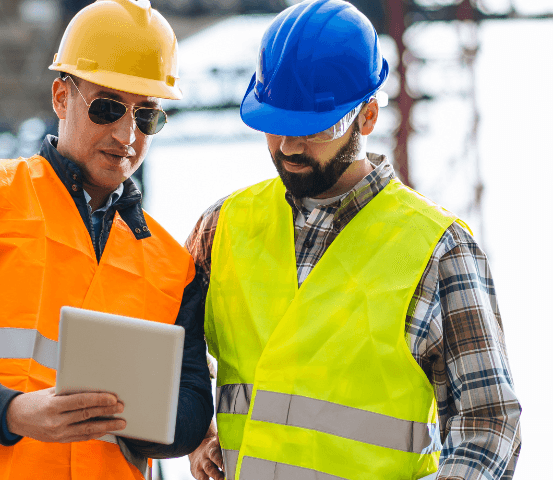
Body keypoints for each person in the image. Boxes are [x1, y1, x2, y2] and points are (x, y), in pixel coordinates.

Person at [0, 1, 213, 479]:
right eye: (107, 106)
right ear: (60, 96)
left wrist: (135, 415)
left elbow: (193, 406)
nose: (125, 134)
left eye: (147, 116)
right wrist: (11, 411)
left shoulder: (173, 267)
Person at [185, 1, 521, 479]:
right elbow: (178, 352)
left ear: (367, 117)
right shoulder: (222, 226)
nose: (289, 146)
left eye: (314, 126)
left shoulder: (437, 249)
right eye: (276, 122)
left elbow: (489, 426)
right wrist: (199, 435)